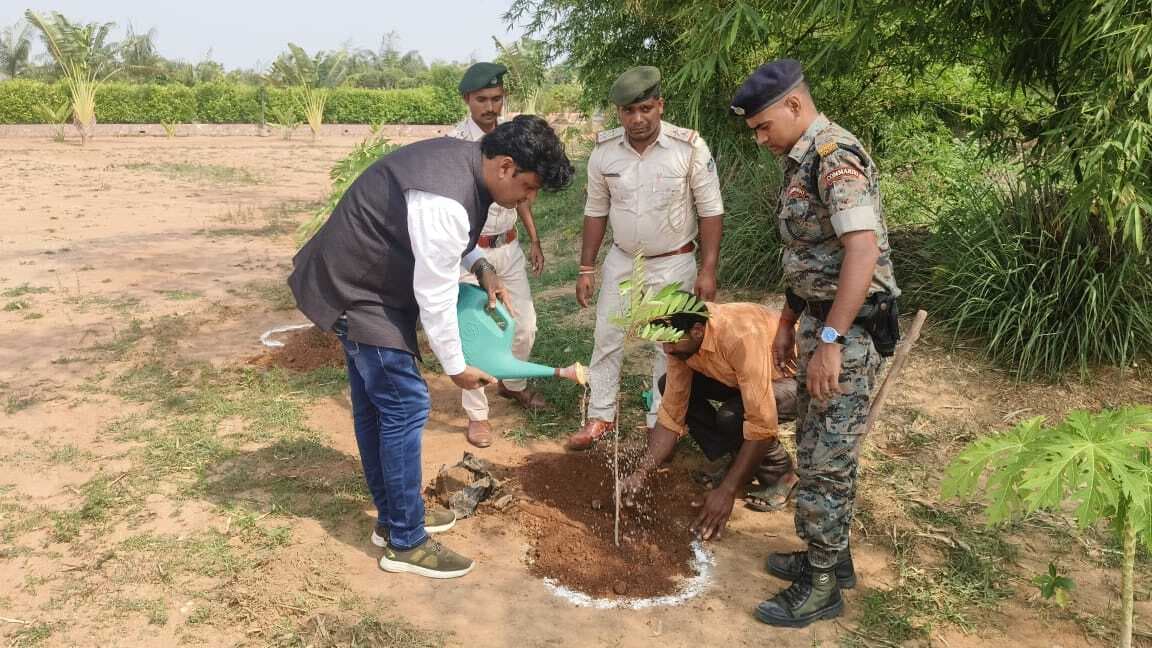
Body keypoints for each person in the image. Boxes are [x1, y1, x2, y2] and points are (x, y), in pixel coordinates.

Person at [288, 115, 574, 579]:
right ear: (505, 166)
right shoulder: (446, 197)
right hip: (359, 292)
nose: (529, 199)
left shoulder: (465, 165)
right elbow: (436, 292)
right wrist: (457, 367)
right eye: (529, 187)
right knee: (404, 404)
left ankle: (394, 519)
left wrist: (483, 268)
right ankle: (405, 541)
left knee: (376, 408)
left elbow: (450, 243)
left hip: (363, 283)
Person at [730, 59, 900, 626]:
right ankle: (830, 558)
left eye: (762, 126)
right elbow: (811, 255)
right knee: (815, 441)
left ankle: (823, 587)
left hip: (846, 333)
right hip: (819, 321)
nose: (760, 139)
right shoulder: (801, 159)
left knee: (827, 456)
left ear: (794, 106)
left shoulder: (834, 158)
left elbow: (861, 250)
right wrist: (787, 319)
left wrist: (830, 337)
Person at [567, 66, 726, 451]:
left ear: (659, 105)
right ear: (619, 113)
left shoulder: (689, 148)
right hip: (622, 261)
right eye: (627, 112)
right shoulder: (604, 152)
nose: (636, 120)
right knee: (606, 336)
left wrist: (707, 269)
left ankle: (661, 421)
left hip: (674, 261)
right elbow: (595, 211)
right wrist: (586, 267)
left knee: (666, 345)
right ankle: (601, 416)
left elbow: (711, 211)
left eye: (644, 109)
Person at [618, 296, 800, 540]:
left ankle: (781, 472)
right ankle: (737, 460)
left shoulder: (739, 336)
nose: (666, 350)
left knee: (733, 416)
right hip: (745, 377)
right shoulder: (681, 342)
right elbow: (673, 413)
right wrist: (642, 471)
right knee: (667, 385)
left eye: (671, 343)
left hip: (797, 381)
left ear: (697, 331)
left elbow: (761, 423)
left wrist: (727, 491)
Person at [448, 62, 550, 448]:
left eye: (496, 98)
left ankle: (513, 383)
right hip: (469, 252)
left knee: (525, 325)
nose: (490, 107)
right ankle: (477, 414)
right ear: (466, 100)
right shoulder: (456, 143)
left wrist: (534, 238)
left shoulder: (512, 139)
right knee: (473, 334)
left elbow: (521, 193)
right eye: (481, 100)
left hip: (508, 247)